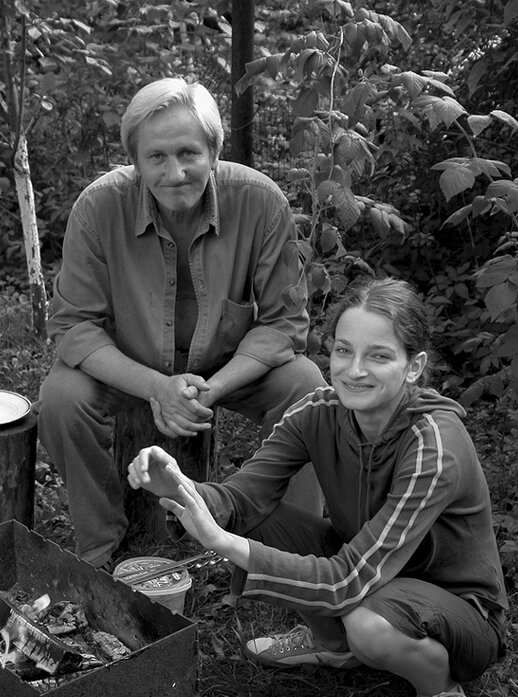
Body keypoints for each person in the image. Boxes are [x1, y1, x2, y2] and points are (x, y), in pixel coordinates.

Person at [127, 278, 508, 697]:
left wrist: (222, 542)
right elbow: (243, 498)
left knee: (367, 622)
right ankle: (334, 644)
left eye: (378, 356)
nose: (354, 370)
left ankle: (440, 688)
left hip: (457, 611)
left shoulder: (433, 445)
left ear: (415, 367)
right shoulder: (319, 411)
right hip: (370, 570)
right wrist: (178, 486)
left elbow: (348, 578)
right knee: (260, 521)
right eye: (344, 351)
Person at [38, 77, 325, 569]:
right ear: (135, 160)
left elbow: (283, 324)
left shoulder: (261, 201)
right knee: (63, 399)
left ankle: (291, 556)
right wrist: (156, 386)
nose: (175, 173)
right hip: (130, 365)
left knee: (308, 390)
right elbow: (75, 327)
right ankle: (100, 547)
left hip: (226, 368)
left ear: (214, 151)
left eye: (189, 153)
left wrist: (211, 389)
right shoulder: (97, 207)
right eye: (157, 157)